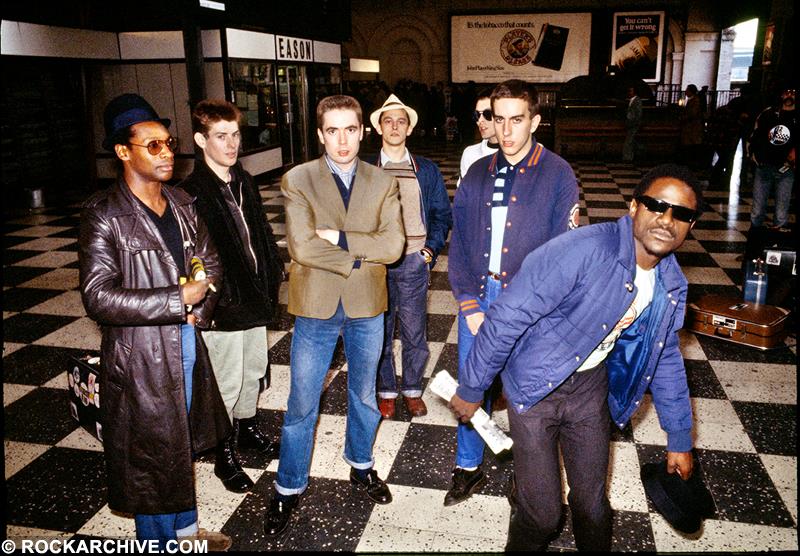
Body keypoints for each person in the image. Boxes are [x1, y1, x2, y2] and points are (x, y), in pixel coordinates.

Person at [449, 163, 702, 551]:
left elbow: (665, 355)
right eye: (656, 206)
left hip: (588, 390)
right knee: (543, 513)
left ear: (690, 225)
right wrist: (471, 387)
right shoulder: (581, 251)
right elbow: (505, 318)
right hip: (534, 386)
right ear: (634, 207)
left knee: (592, 504)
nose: (667, 221)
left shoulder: (670, 282)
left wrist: (679, 438)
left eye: (681, 213)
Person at [79, 94, 231, 550]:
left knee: (178, 444)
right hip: (140, 357)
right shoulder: (104, 214)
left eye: (168, 142)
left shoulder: (183, 203)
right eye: (153, 145)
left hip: (185, 341)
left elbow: (212, 263)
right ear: (123, 152)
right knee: (152, 457)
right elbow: (98, 296)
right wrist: (174, 299)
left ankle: (186, 535)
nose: (166, 153)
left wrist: (198, 309)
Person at [263, 95, 405, 536]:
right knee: (302, 401)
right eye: (332, 131)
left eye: (350, 130)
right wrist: (359, 255)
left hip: (367, 308)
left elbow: (394, 247)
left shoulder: (383, 181)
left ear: (363, 131)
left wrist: (339, 237)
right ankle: (288, 486)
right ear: (320, 134)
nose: (342, 141)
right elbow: (301, 247)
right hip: (316, 308)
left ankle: (361, 465)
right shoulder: (298, 179)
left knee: (363, 395)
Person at [446, 79, 580, 507]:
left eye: (516, 121)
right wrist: (468, 302)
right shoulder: (477, 173)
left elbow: (567, 251)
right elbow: (461, 242)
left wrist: (539, 310)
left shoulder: (558, 173)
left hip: (532, 301)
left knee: (529, 391)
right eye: (497, 119)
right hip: (482, 293)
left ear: (535, 121)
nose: (505, 131)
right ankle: (467, 468)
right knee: (473, 383)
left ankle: (530, 477)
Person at [179, 99, 285, 493]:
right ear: (200, 140)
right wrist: (207, 301)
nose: (231, 144)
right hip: (223, 305)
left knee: (252, 371)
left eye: (235, 135)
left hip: (255, 298)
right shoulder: (191, 193)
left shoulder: (243, 179)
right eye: (221, 137)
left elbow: (259, 233)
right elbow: (192, 260)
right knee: (225, 380)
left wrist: (273, 270)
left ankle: (247, 429)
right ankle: (223, 455)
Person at [366, 94, 452, 419]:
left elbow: (442, 214)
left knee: (415, 331)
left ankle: (412, 390)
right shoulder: (367, 171)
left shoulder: (425, 171)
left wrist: (429, 250)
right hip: (378, 266)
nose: (395, 126)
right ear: (379, 128)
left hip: (415, 261)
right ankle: (387, 390)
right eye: (388, 121)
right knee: (381, 331)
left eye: (401, 121)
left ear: (409, 128)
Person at [747, 85, 795, 230]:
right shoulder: (768, 114)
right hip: (764, 167)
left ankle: (776, 245)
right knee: (757, 211)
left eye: (793, 93)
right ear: (781, 95)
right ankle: (754, 246)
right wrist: (754, 157)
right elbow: (755, 136)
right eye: (787, 92)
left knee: (781, 213)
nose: (790, 96)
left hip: (786, 169)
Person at [457, 88, 500, 187]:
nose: (480, 120)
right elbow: (464, 196)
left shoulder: (530, 152)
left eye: (487, 114)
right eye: (476, 115)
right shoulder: (470, 153)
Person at [679, 84, 704, 169]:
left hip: (692, 128)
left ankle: (690, 163)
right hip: (690, 128)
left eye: (687, 90)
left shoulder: (695, 101)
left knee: (690, 145)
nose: (685, 91)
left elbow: (692, 114)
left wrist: (683, 118)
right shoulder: (691, 100)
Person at [623, 86, 643, 162]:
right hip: (632, 124)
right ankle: (629, 157)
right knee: (630, 141)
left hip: (633, 125)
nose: (629, 93)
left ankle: (628, 158)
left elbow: (638, 114)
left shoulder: (637, 101)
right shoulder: (633, 100)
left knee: (629, 142)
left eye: (631, 91)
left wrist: (634, 122)